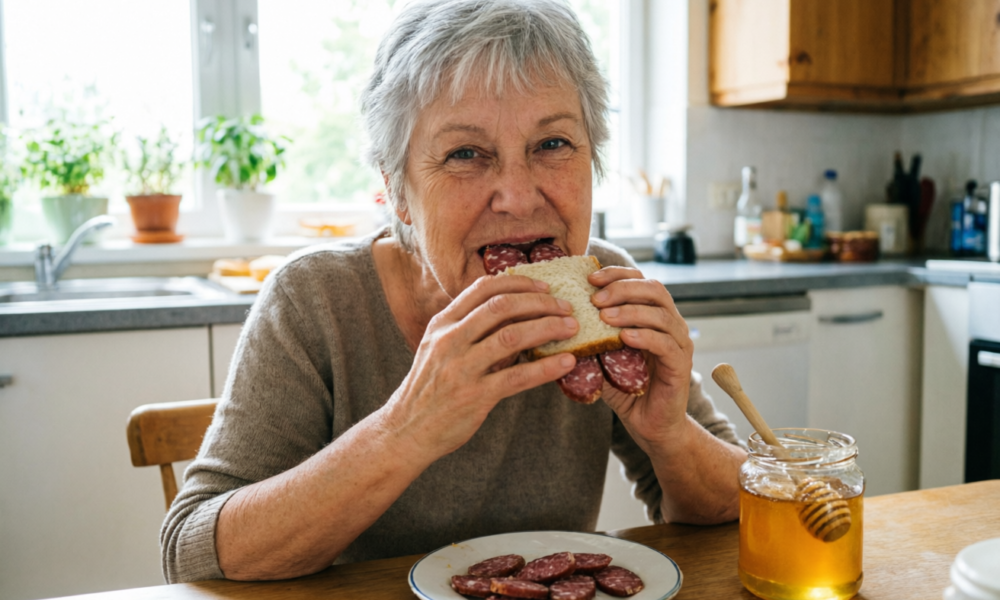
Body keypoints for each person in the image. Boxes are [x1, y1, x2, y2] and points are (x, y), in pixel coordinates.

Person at [161, 0, 747, 584]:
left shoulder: (602, 289)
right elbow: (191, 554)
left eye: (553, 145)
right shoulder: (315, 300)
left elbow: (739, 506)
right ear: (396, 191)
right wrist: (405, 429)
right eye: (466, 154)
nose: (517, 197)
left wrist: (669, 434)